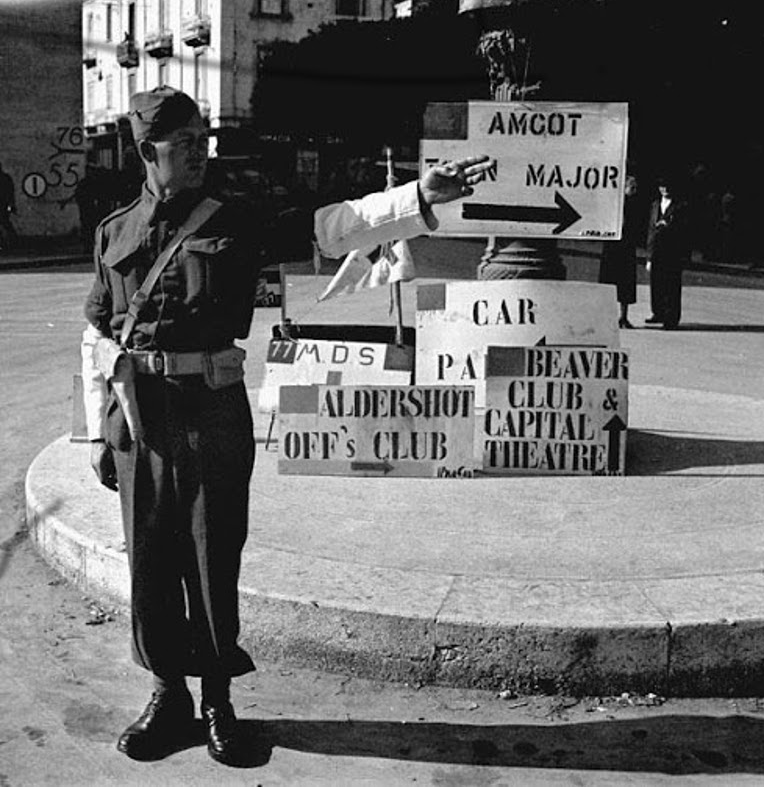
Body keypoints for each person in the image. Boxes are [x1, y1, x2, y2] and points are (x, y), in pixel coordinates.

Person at [80, 86, 493, 765]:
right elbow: (98, 333)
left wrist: (419, 195)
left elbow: (333, 226)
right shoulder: (115, 229)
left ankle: (217, 700)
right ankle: (166, 695)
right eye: (182, 143)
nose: (198, 152)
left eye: (201, 138)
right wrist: (98, 431)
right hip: (141, 422)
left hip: (210, 414)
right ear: (145, 152)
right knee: (150, 562)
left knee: (213, 557)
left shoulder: (233, 219)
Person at [645, 176, 691, 330]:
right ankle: (657, 312)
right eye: (662, 187)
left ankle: (671, 318)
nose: (665, 190)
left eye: (667, 187)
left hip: (672, 252)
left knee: (671, 286)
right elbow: (651, 231)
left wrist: (669, 226)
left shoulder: (680, 206)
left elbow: (685, 230)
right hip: (657, 250)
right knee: (656, 284)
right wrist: (649, 256)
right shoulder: (655, 205)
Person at [599, 173, 643, 328]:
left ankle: (623, 316)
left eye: (635, 188)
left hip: (626, 247)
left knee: (626, 285)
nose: (634, 190)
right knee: (609, 283)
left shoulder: (635, 205)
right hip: (613, 247)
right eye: (632, 187)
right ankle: (608, 316)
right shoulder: (614, 204)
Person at [0, 161, 17, 251]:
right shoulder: (6, 178)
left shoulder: (5, 179)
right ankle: (10, 242)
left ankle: (8, 242)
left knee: (5, 223)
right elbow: (11, 193)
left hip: (2, 205)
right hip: (4, 204)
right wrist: (11, 204)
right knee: (5, 223)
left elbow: (10, 193)